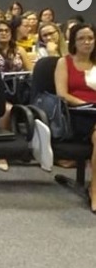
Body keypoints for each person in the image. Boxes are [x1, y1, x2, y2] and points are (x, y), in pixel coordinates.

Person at [0, 20, 33, 171]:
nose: (3, 33)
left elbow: (31, 72)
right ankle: (0, 152)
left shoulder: (19, 50)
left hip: (18, 91)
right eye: (0, 31)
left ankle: (30, 148)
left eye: (6, 30)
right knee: (7, 110)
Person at [54, 23, 96, 213]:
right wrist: (87, 104)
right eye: (81, 38)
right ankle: (94, 189)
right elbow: (62, 94)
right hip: (78, 114)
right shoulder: (64, 62)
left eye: (90, 38)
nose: (87, 42)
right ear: (73, 42)